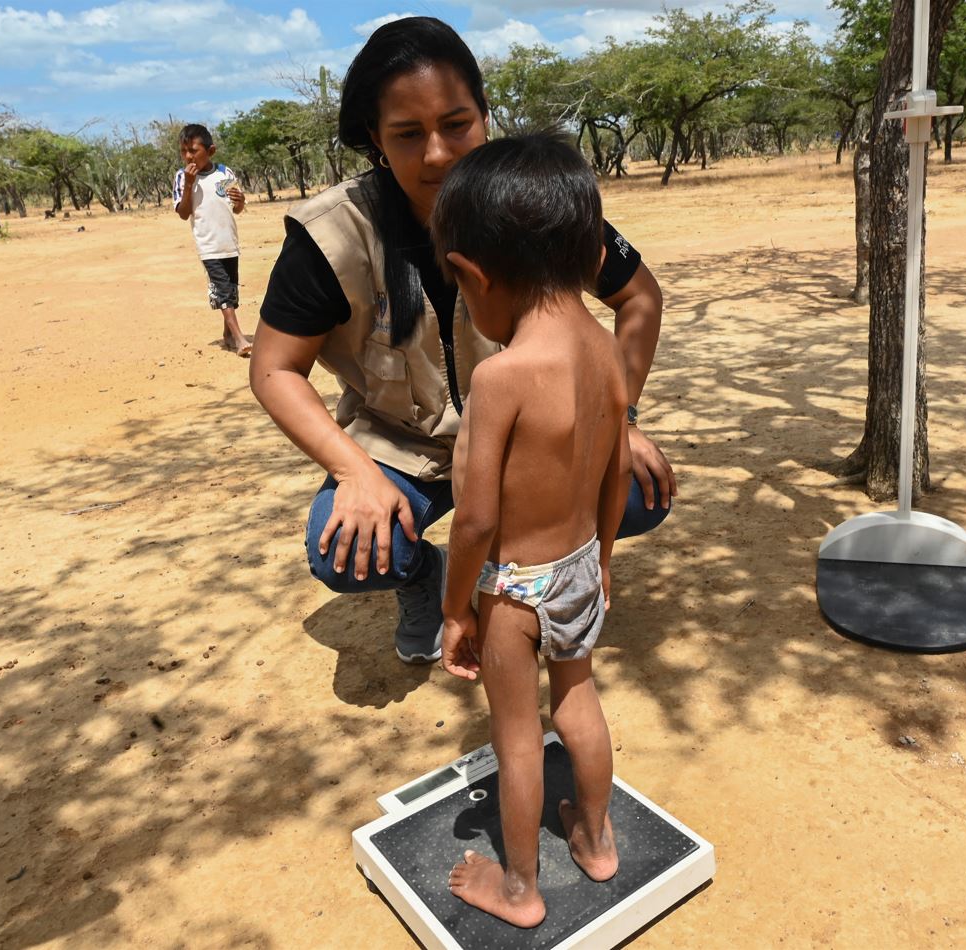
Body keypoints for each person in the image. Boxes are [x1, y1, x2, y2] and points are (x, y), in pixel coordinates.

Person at [249, 16, 676, 665]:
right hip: (400, 447)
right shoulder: (331, 236)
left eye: (456, 124)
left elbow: (638, 296)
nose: (439, 154)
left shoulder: (535, 205)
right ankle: (427, 577)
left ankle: (512, 578)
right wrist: (354, 472)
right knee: (345, 552)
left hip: (524, 436)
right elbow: (274, 369)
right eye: (407, 134)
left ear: (484, 113)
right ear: (374, 138)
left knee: (637, 493)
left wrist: (619, 414)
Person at [433, 133, 625, 929]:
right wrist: (606, 559)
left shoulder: (500, 375)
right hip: (581, 565)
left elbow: (475, 518)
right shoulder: (606, 349)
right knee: (577, 702)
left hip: (515, 588)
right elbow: (614, 474)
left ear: (473, 275)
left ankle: (517, 889)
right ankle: (596, 837)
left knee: (518, 737)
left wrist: (454, 609)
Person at [174, 124, 251, 356]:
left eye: (194, 150)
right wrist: (189, 184)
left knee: (231, 289)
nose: (188, 156)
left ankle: (227, 335)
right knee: (222, 290)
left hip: (229, 242)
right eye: (184, 151)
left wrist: (240, 200)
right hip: (208, 244)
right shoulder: (182, 177)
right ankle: (239, 339)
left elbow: (236, 208)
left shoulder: (225, 174)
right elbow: (183, 212)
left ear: (211, 151)